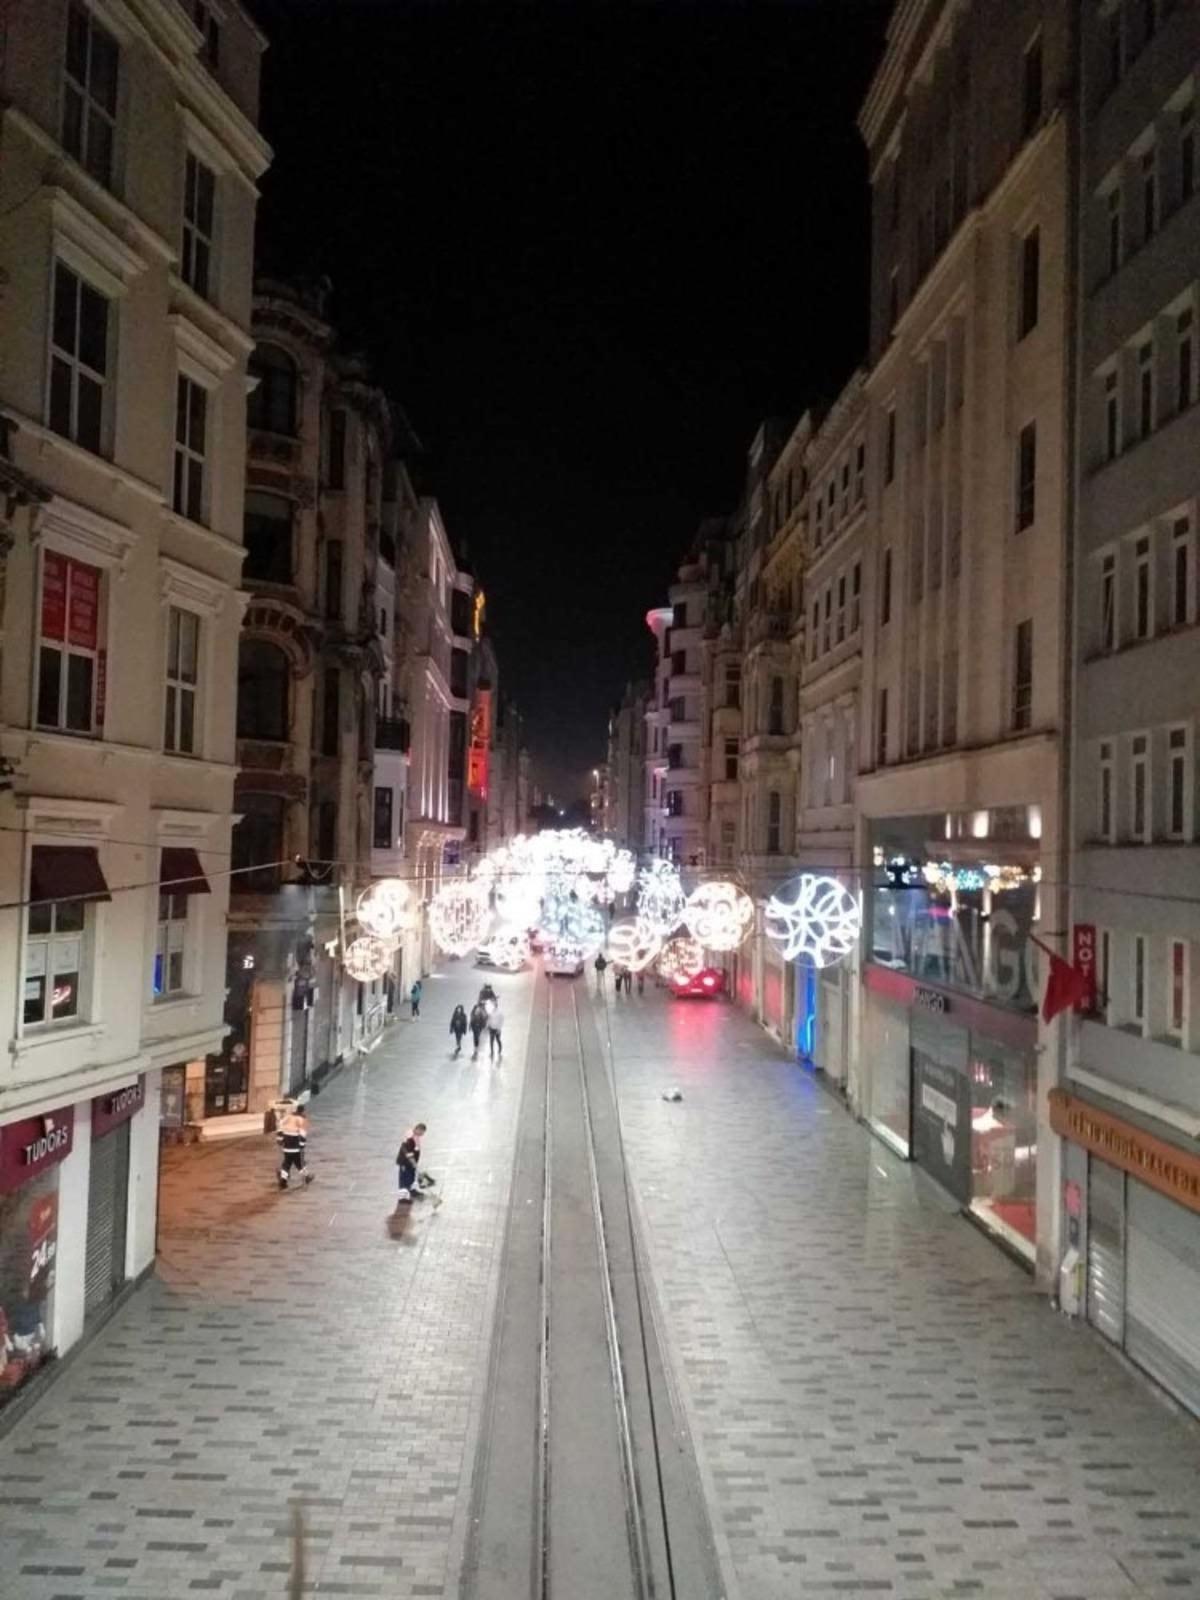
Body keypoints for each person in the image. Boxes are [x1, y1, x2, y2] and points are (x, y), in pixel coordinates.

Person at [277, 1106, 311, 1190]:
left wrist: (280, 1140)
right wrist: (302, 1146)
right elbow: (303, 1135)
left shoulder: (287, 1117)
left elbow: (280, 1128)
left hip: (286, 1147)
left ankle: (283, 1180)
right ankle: (306, 1177)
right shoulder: (303, 1120)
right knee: (300, 1163)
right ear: (303, 1111)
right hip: (296, 1147)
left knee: (286, 1163)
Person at [396, 1122, 427, 1204]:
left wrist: (414, 1163)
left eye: (423, 1133)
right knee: (404, 1178)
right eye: (422, 1132)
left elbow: (415, 1150)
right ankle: (403, 1198)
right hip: (405, 1162)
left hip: (411, 1162)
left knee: (411, 1177)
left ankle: (412, 1191)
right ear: (418, 1129)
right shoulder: (410, 1137)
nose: (422, 1134)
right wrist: (412, 1161)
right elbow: (406, 1150)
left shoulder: (415, 1136)